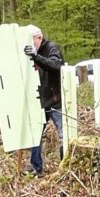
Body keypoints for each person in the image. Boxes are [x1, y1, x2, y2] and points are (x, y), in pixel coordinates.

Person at [23, 24, 65, 174]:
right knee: (35, 135)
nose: (30, 44)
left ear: (39, 37)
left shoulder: (52, 48)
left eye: (32, 40)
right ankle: (36, 167)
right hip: (39, 101)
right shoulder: (28, 53)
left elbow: (55, 65)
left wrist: (36, 56)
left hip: (55, 99)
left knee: (63, 135)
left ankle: (64, 168)